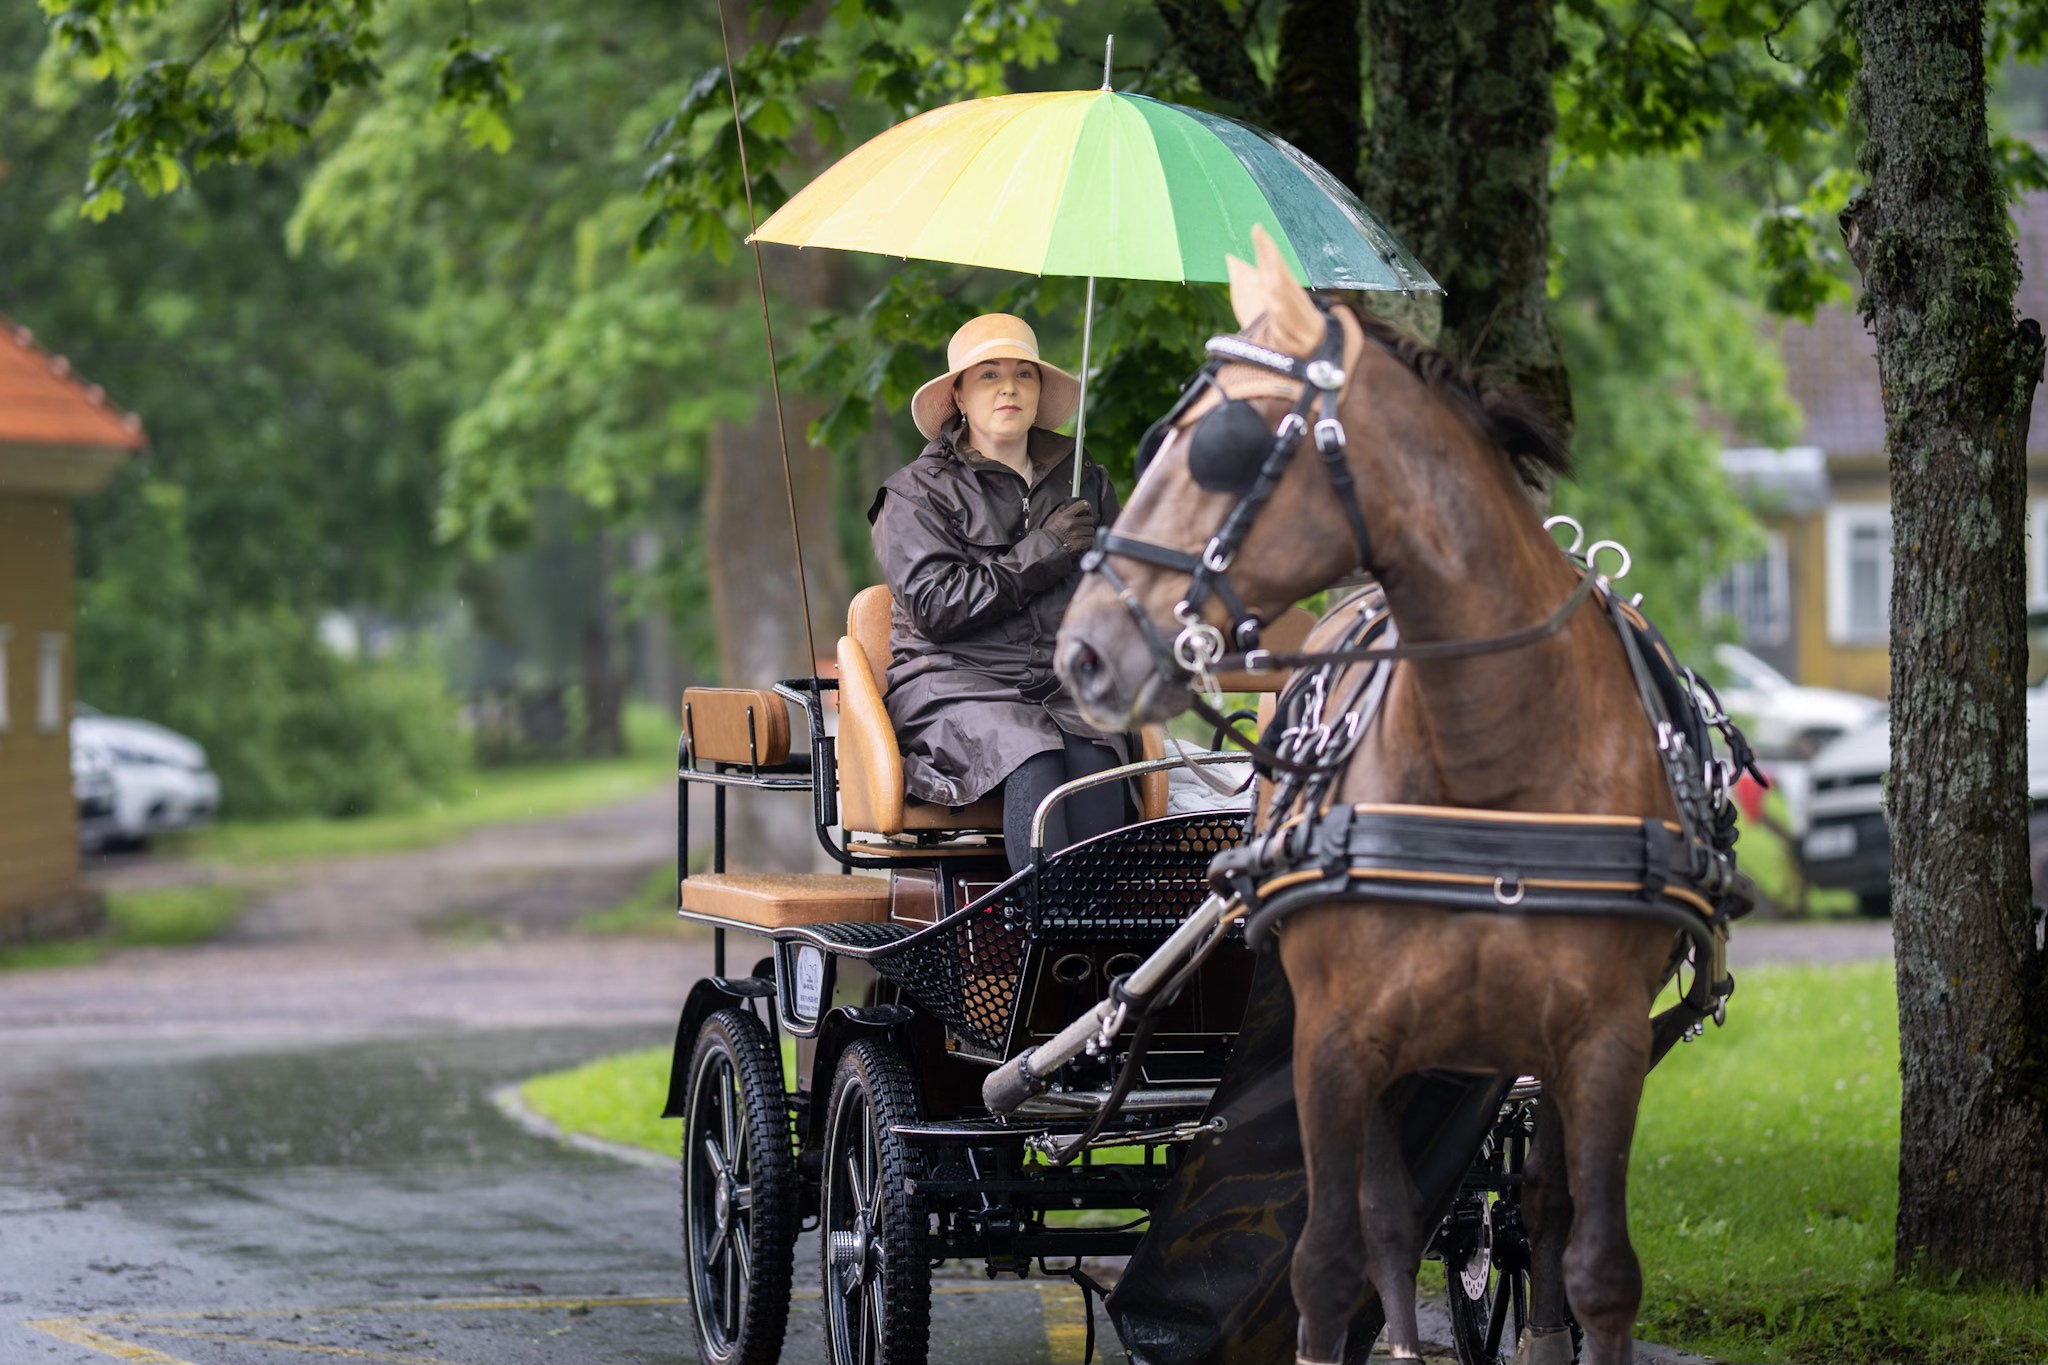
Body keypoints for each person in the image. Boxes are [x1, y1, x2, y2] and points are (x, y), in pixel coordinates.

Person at [867, 313, 1125, 874]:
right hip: (950, 683)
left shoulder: (1086, 480)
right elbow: (935, 608)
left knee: (1103, 764)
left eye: (1023, 374)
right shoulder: (913, 492)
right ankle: (1046, 945)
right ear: (958, 394)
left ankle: (1105, 952)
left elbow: (1124, 593)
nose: (1009, 387)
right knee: (1031, 754)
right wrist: (1047, 550)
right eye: (988, 375)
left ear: (1038, 391)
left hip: (1061, 687)